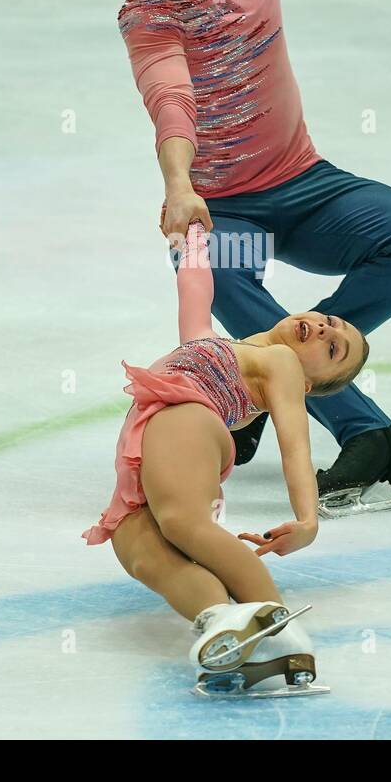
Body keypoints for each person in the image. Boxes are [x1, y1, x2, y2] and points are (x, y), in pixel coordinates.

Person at [117, 0, 391, 516]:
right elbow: (170, 98)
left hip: (305, 183)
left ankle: (261, 381)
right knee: (213, 269)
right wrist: (181, 186)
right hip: (224, 205)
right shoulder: (150, 10)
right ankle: (366, 431)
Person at [82, 221, 365, 696]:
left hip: (184, 421)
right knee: (137, 548)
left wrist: (307, 520)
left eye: (331, 347)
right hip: (151, 444)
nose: (321, 328)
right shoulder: (214, 341)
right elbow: (195, 288)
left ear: (309, 383)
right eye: (328, 321)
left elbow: (295, 443)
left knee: (182, 523)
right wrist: (190, 235)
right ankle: (220, 616)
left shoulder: (282, 365)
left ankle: (279, 625)